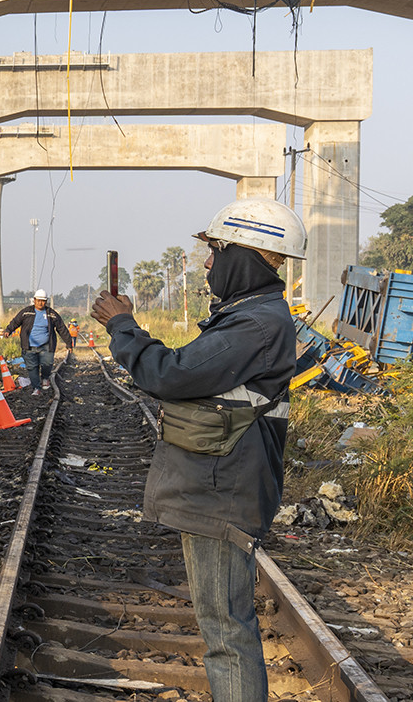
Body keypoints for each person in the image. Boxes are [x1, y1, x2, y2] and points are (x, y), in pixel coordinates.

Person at [89, 198, 304, 702]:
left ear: (243, 256)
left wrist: (123, 325)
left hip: (222, 493)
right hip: (220, 485)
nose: (207, 264)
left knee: (226, 634)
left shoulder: (256, 325)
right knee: (222, 626)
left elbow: (170, 373)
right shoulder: (249, 316)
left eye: (215, 251)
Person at [3, 289, 72, 393]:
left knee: (47, 363)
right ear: (34, 300)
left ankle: (45, 377)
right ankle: (36, 387)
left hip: (46, 345)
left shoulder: (51, 314)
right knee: (32, 367)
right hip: (29, 346)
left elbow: (61, 328)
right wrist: (8, 330)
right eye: (38, 300)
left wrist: (69, 343)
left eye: (43, 301)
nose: (40, 303)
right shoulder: (26, 312)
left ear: (46, 301)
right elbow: (16, 321)